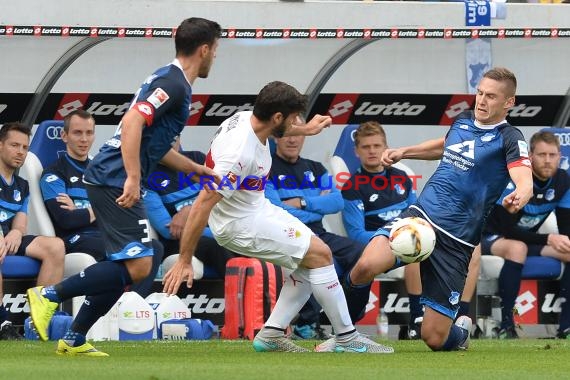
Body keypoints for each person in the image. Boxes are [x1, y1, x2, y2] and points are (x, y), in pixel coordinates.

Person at [26, 17, 222, 357]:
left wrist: (194, 168)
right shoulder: (172, 83)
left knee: (137, 263)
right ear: (204, 49)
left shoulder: (173, 81)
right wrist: (132, 176)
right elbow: (132, 122)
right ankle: (48, 295)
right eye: (216, 51)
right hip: (112, 177)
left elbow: (155, 147)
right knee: (139, 264)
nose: (215, 58)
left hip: (114, 175)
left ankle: (73, 339)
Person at [163, 81, 394, 353]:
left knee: (310, 261)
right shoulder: (240, 154)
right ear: (276, 118)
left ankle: (271, 334)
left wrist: (306, 128)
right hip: (239, 224)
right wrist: (184, 259)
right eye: (294, 118)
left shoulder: (244, 119)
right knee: (320, 254)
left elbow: (276, 127)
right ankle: (347, 338)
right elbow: (202, 204)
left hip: (257, 209)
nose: (296, 123)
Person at [324, 67, 534, 352]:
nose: (481, 101)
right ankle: (346, 334)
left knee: (434, 338)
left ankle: (459, 334)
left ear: (509, 102)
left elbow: (524, 178)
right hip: (420, 219)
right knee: (364, 266)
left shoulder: (510, 138)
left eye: (491, 97)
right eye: (480, 93)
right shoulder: (463, 120)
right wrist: (404, 152)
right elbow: (444, 146)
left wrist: (520, 194)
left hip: (456, 242)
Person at [341, 121, 481, 339]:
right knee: (413, 241)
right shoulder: (352, 186)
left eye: (377, 146)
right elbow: (356, 234)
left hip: (408, 236)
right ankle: (417, 318)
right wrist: (396, 236)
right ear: (356, 151)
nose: (372, 151)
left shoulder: (401, 178)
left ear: (385, 147)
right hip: (378, 246)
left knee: (471, 246)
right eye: (366, 147)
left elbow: (418, 215)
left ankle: (458, 314)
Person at [265, 133, 365, 340]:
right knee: (310, 257)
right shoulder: (267, 169)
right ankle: (306, 324)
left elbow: (337, 202)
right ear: (276, 137)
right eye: (287, 135)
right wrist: (318, 205)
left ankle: (345, 324)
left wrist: (302, 202)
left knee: (361, 253)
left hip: (319, 232)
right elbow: (277, 210)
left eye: (298, 135)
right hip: (288, 233)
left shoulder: (316, 168)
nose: (293, 140)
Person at [481, 130, 570, 339]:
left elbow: (565, 228)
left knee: (568, 250)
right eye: (541, 155)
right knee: (517, 248)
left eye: (552, 155)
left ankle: (565, 328)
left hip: (524, 239)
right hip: (489, 236)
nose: (547, 161)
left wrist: (563, 241)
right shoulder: (519, 178)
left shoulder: (563, 182)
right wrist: (548, 238)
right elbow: (507, 229)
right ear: (530, 156)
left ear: (559, 157)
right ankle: (506, 326)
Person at [0, 122, 66, 340]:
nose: (20, 152)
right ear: (0, 146)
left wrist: (16, 232)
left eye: (25, 147)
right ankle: (3, 323)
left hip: (10, 240)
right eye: (14, 145)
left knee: (55, 246)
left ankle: (39, 320)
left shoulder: (22, 185)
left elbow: (20, 222)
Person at [144, 149, 237, 277]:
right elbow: (169, 231)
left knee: (251, 242)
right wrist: (227, 235)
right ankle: (242, 292)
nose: (171, 139)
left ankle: (266, 290)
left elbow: (225, 201)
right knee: (216, 246)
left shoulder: (197, 158)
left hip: (215, 229)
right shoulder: (146, 176)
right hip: (178, 242)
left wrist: (189, 210)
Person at [39, 110, 105, 262]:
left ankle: (133, 288)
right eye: (77, 133)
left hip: (105, 235)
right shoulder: (53, 174)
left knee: (151, 246)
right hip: (74, 240)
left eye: (89, 133)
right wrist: (102, 208)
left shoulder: (102, 173)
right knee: (105, 246)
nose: (84, 139)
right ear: (64, 136)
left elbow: (118, 214)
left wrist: (80, 211)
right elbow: (66, 220)